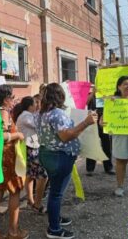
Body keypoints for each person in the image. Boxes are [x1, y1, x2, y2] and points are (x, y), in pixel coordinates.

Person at [35, 83, 97, 239]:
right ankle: (54, 229)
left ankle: (55, 218)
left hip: (48, 154)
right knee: (56, 193)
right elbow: (66, 136)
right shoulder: (56, 113)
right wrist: (85, 123)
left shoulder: (42, 113)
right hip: (59, 156)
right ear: (60, 96)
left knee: (55, 191)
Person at [0, 85, 28, 239]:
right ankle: (13, 232)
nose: (14, 100)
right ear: (6, 99)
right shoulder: (3, 113)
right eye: (12, 97)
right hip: (8, 158)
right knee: (15, 191)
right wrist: (17, 135)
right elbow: (2, 136)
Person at [102, 76, 128, 197]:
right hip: (119, 136)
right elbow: (104, 118)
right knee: (121, 161)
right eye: (125, 84)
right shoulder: (112, 101)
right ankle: (120, 187)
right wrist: (102, 121)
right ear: (119, 87)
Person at [14, 96, 48, 213]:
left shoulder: (28, 115)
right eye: (35, 103)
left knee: (30, 176)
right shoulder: (25, 116)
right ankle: (37, 204)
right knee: (43, 176)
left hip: (31, 147)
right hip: (31, 148)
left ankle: (30, 200)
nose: (37, 105)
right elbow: (38, 125)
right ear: (30, 105)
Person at [85, 88, 114, 176]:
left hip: (105, 118)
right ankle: (90, 169)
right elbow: (85, 102)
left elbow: (112, 104)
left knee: (107, 145)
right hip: (93, 117)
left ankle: (108, 167)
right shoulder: (91, 93)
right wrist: (93, 92)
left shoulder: (109, 92)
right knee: (92, 144)